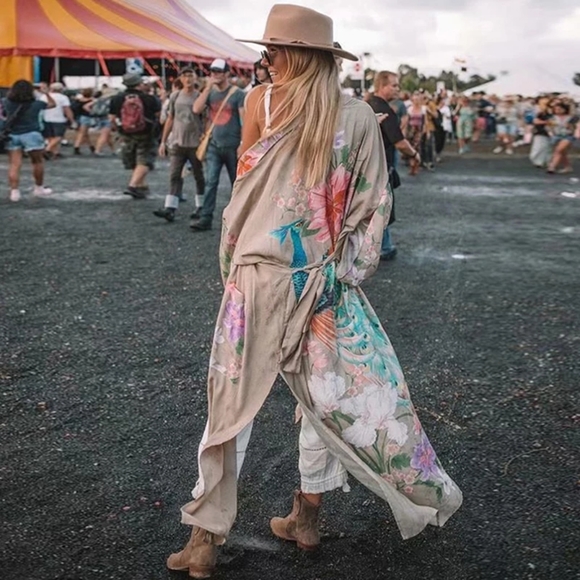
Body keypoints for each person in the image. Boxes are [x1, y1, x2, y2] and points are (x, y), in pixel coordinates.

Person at [166, 5, 462, 578]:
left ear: (289, 54)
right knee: (322, 399)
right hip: (320, 279)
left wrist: (233, 263)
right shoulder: (359, 116)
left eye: (271, 52)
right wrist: (343, 269)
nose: (265, 61)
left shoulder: (259, 103)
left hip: (256, 276)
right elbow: (372, 205)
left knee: (230, 405)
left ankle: (204, 539)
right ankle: (306, 518)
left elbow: (244, 190)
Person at [368, 71, 421, 261]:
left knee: (375, 205)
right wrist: (414, 154)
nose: (398, 89)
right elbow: (400, 142)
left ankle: (383, 245)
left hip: (370, 165)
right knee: (382, 206)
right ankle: (384, 246)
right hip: (381, 166)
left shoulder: (367, 104)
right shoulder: (384, 109)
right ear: (382, 86)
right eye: (394, 85)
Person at [190, 58, 245, 231]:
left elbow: (244, 121)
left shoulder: (238, 94)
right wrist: (207, 87)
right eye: (213, 71)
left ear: (227, 73)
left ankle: (239, 220)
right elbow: (196, 109)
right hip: (214, 144)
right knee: (211, 182)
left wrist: (243, 143)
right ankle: (206, 218)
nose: (215, 74)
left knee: (237, 184)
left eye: (219, 71)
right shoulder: (210, 92)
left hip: (233, 145)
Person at [153, 67, 205, 222]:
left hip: (195, 142)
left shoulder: (200, 97)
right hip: (177, 141)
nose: (188, 79)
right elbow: (170, 118)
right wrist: (163, 141)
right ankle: (170, 208)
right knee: (175, 174)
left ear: (195, 78)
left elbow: (206, 119)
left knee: (198, 175)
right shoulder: (175, 96)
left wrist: (205, 137)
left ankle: (201, 206)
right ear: (180, 79)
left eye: (191, 76)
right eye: (185, 76)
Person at [108, 73, 161, 198]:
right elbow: (159, 116)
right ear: (139, 84)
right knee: (145, 160)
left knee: (133, 158)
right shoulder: (150, 98)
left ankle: (141, 185)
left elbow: (112, 118)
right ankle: (133, 185)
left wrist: (118, 130)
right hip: (147, 132)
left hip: (126, 133)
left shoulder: (116, 98)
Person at [2, 80, 55, 202]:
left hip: (12, 135)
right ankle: (39, 188)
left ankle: (14, 192)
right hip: (32, 134)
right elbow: (52, 104)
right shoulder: (37, 104)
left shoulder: (5, 102)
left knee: (14, 164)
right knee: (37, 162)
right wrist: (46, 93)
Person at [42, 82, 75, 160]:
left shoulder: (43, 97)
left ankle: (54, 152)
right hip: (59, 119)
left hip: (46, 118)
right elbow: (67, 109)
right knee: (59, 136)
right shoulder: (63, 98)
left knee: (50, 137)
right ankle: (48, 149)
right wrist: (72, 119)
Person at [546, 101, 578, 174]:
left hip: (568, 135)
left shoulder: (571, 118)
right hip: (557, 135)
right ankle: (567, 166)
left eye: (559, 109)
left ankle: (552, 167)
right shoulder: (553, 117)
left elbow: (575, 127)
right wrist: (551, 132)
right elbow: (548, 126)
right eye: (556, 109)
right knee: (562, 152)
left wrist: (570, 127)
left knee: (558, 150)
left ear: (564, 109)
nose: (557, 111)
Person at [529, 97, 552, 169]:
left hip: (551, 132)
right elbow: (535, 121)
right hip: (540, 131)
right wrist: (547, 122)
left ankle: (547, 161)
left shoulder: (552, 112)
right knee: (538, 147)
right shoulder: (540, 113)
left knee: (547, 147)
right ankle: (538, 161)